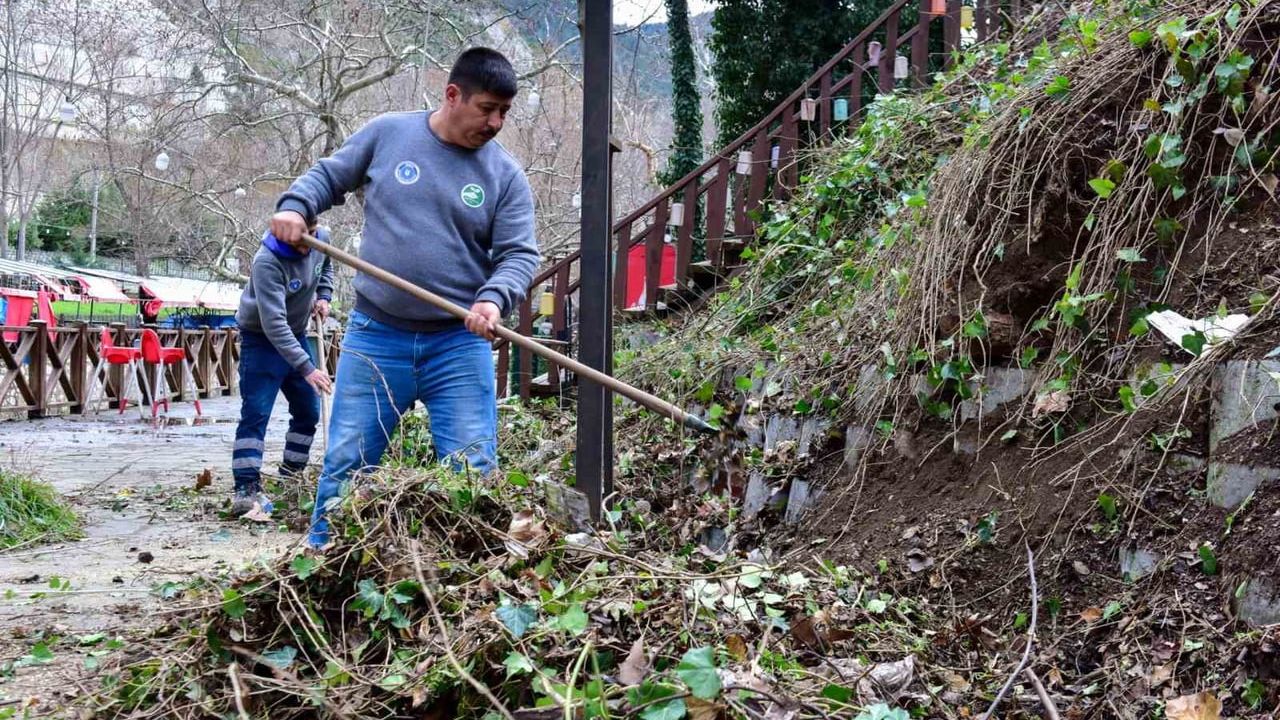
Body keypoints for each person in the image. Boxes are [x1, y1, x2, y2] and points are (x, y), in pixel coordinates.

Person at [267, 47, 540, 549]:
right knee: (347, 463)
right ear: (453, 95)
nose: (496, 123)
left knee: (473, 470)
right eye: (487, 109)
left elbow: (519, 254)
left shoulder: (505, 175)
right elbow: (327, 176)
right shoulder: (388, 134)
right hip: (376, 337)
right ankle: (323, 559)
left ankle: (470, 574)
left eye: (504, 112)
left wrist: (493, 300)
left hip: (458, 345)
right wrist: (296, 207)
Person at [230, 225, 335, 518]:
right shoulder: (267, 261)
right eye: (299, 242)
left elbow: (326, 266)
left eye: (311, 237)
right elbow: (274, 324)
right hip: (261, 338)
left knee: (308, 411)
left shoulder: (321, 238)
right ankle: (246, 487)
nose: (307, 248)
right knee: (256, 413)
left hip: (297, 333)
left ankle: (291, 475)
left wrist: (324, 294)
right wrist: (308, 368)